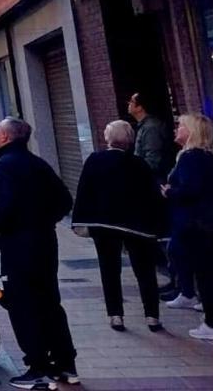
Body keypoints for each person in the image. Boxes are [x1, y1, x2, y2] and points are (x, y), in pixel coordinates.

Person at [0, 117, 77, 389]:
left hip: (19, 246)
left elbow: (4, 207)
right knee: (50, 301)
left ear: (6, 137)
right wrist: (43, 221)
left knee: (23, 305)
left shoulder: (5, 166)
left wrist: (1, 232)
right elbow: (64, 200)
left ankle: (37, 367)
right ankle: (65, 364)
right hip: (45, 243)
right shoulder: (38, 163)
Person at [71, 120, 165, 332]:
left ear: (108, 138)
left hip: (104, 224)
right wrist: (156, 224)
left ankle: (116, 315)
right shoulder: (139, 164)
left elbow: (85, 190)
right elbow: (151, 196)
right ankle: (152, 316)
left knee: (109, 269)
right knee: (145, 270)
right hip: (136, 225)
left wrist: (80, 220)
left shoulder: (95, 160)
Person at [163, 114, 213, 341]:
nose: (177, 128)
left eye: (181, 125)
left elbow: (190, 190)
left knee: (207, 275)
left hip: (197, 226)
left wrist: (169, 192)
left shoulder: (191, 158)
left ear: (192, 131)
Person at [129, 93, 171, 182]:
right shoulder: (145, 126)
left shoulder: (150, 128)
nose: (128, 104)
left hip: (153, 179)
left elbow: (153, 159)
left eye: (132, 101)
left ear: (140, 107)